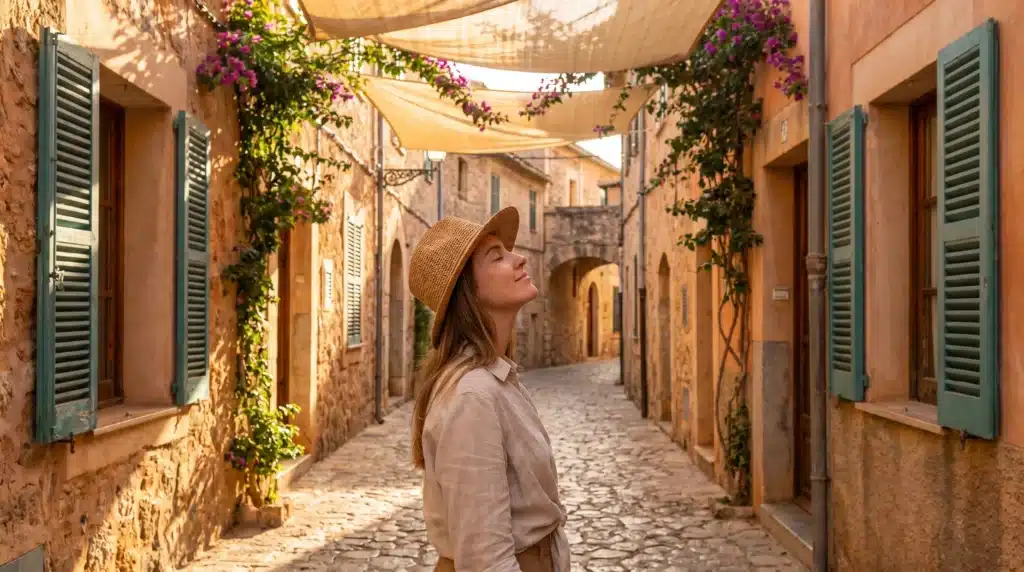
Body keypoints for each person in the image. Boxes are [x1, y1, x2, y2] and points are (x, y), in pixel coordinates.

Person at [407, 206, 569, 572]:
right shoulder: (472, 396)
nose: (520, 258)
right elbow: (485, 559)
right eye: (496, 256)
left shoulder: (496, 380)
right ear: (469, 292)